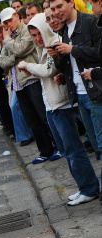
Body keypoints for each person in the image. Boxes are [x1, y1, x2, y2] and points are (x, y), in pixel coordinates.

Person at [18, 13, 100, 205]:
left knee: (74, 149)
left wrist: (28, 66)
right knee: (66, 150)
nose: (37, 38)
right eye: (33, 35)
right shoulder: (43, 48)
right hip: (51, 105)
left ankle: (89, 188)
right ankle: (84, 187)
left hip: (62, 103)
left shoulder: (55, 42)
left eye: (38, 33)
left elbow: (49, 70)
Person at [0, 7, 59, 164]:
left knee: (43, 115)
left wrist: (10, 45)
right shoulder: (8, 38)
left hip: (32, 78)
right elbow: (2, 61)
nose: (7, 25)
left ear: (17, 17)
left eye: (9, 20)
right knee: (32, 120)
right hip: (18, 83)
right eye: (4, 23)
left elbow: (23, 48)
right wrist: (16, 54)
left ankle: (57, 147)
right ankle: (45, 151)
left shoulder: (26, 30)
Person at [50, 0, 102, 165]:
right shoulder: (64, 30)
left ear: (71, 3)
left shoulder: (90, 21)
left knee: (101, 146)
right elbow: (70, 65)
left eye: (60, 6)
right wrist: (58, 60)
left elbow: (98, 54)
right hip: (78, 95)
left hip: (95, 92)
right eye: (53, 9)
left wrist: (73, 49)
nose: (56, 12)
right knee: (96, 146)